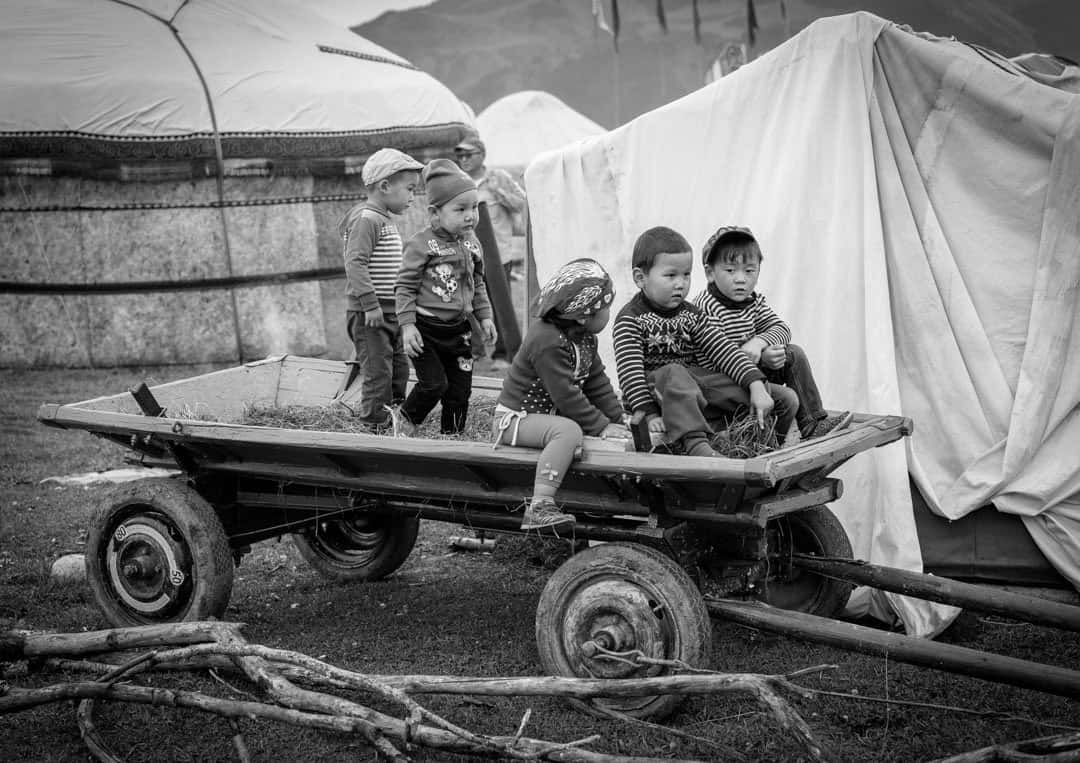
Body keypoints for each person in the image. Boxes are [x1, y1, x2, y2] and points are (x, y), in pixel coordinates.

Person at [612, 226, 797, 457]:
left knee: (783, 398)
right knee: (673, 372)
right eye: (671, 275)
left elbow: (724, 351)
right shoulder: (631, 319)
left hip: (693, 390)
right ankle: (696, 445)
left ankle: (756, 446)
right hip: (658, 395)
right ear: (640, 278)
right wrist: (649, 414)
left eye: (686, 275)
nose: (681, 283)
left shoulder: (692, 314)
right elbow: (630, 376)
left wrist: (756, 385)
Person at [493, 258, 628, 530]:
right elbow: (565, 396)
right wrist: (601, 426)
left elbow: (597, 384)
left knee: (579, 428)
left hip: (546, 418)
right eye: (606, 308)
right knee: (568, 432)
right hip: (516, 420)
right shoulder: (547, 340)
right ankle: (540, 505)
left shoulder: (583, 337)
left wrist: (618, 422)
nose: (609, 314)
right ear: (583, 314)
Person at [694, 225, 852, 439]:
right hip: (723, 382)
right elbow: (721, 360)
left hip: (750, 372)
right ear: (710, 273)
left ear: (759, 271)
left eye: (749, 270)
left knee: (793, 353)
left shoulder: (753, 303)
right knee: (787, 398)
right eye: (730, 270)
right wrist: (760, 362)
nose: (740, 279)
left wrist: (760, 343)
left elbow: (782, 328)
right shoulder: (707, 307)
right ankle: (765, 443)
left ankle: (812, 423)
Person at [395, 158, 497, 435]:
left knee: (460, 390)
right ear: (435, 212)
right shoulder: (421, 245)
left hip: (459, 330)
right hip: (426, 331)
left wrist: (485, 316)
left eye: (474, 207)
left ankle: (452, 438)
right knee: (434, 384)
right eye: (460, 209)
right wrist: (407, 325)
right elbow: (404, 286)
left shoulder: (472, 243)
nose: (470, 215)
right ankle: (404, 421)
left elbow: (477, 281)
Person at [339, 147, 423, 430]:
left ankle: (393, 416)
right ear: (385, 186)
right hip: (371, 314)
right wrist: (370, 305)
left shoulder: (382, 218)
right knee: (377, 371)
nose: (413, 196)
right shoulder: (367, 219)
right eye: (410, 189)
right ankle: (374, 424)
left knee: (398, 367)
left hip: (390, 312)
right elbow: (355, 263)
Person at [454, 129, 527, 285]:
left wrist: (499, 192)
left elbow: (522, 204)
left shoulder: (499, 177)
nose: (464, 160)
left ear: (482, 155)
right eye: (460, 156)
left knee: (500, 306)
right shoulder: (458, 182)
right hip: (468, 257)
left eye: (469, 155)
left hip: (499, 257)